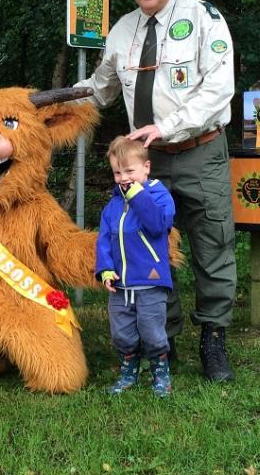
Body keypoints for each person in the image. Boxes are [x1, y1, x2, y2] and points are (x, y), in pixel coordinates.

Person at [76, 0, 236, 382]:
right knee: (150, 247)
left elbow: (219, 88)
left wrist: (168, 126)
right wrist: (51, 103)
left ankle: (214, 340)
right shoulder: (122, 30)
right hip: (144, 164)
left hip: (198, 151)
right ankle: (161, 341)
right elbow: (101, 88)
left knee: (212, 246)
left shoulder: (203, 18)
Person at [96, 136, 175, 397]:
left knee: (152, 332)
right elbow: (104, 240)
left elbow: (156, 225)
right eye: (117, 172)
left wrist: (138, 196)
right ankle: (128, 371)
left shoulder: (159, 196)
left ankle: (160, 374)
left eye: (129, 171)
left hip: (151, 281)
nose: (123, 178)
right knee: (121, 333)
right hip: (121, 284)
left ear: (146, 168)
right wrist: (105, 269)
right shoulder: (112, 205)